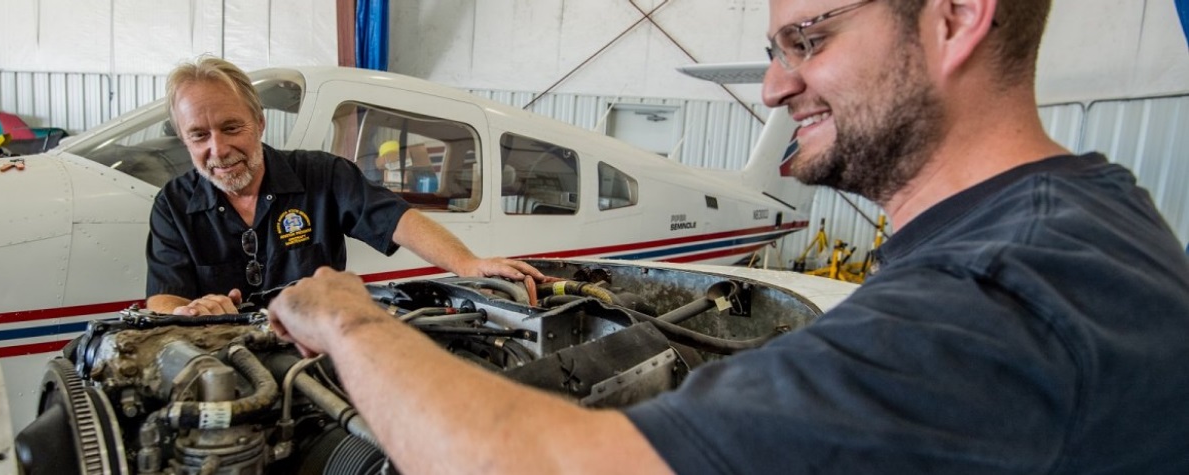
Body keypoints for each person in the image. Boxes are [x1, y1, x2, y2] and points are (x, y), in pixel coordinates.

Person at [265, 0, 1189, 473]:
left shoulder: (993, 299)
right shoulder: (1082, 221)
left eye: (808, 39)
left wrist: (354, 322)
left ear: (955, 17)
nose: (775, 87)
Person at [146, 57, 546, 316]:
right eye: (199, 135)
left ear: (259, 122)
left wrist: (468, 264)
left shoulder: (323, 174)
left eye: (231, 127)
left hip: (319, 352)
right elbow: (163, 298)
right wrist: (189, 313)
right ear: (184, 139)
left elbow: (397, 219)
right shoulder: (172, 205)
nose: (218, 148)